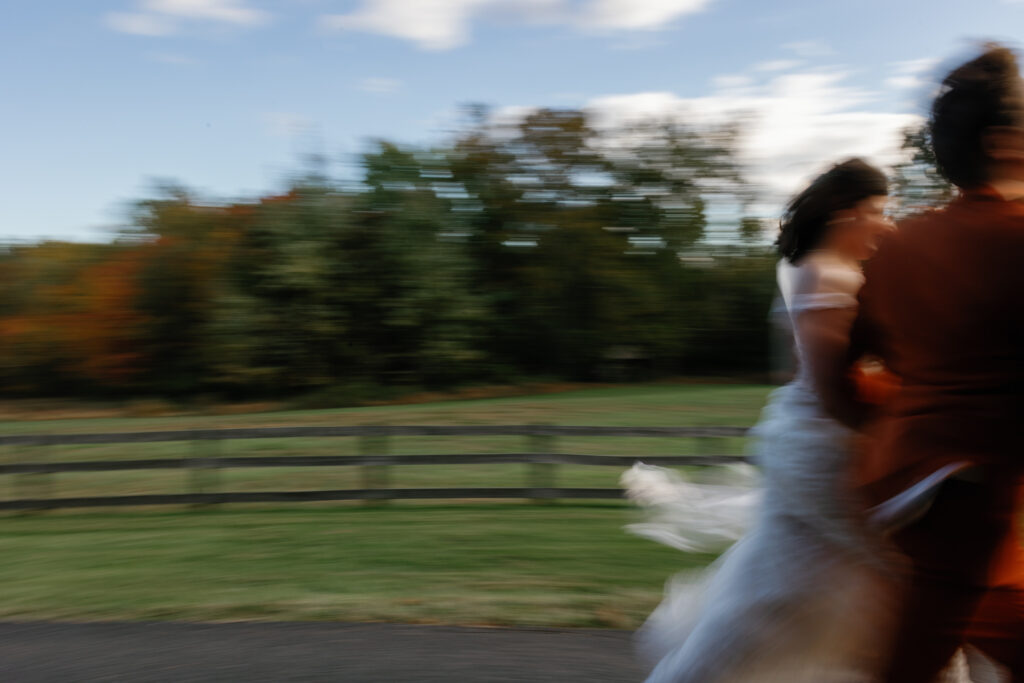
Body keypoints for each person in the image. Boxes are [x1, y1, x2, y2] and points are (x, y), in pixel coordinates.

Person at [821, 44, 1024, 683]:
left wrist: (905, 430)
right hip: (969, 496)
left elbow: (838, 384)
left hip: (911, 488)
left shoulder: (898, 247)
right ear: (1002, 140)